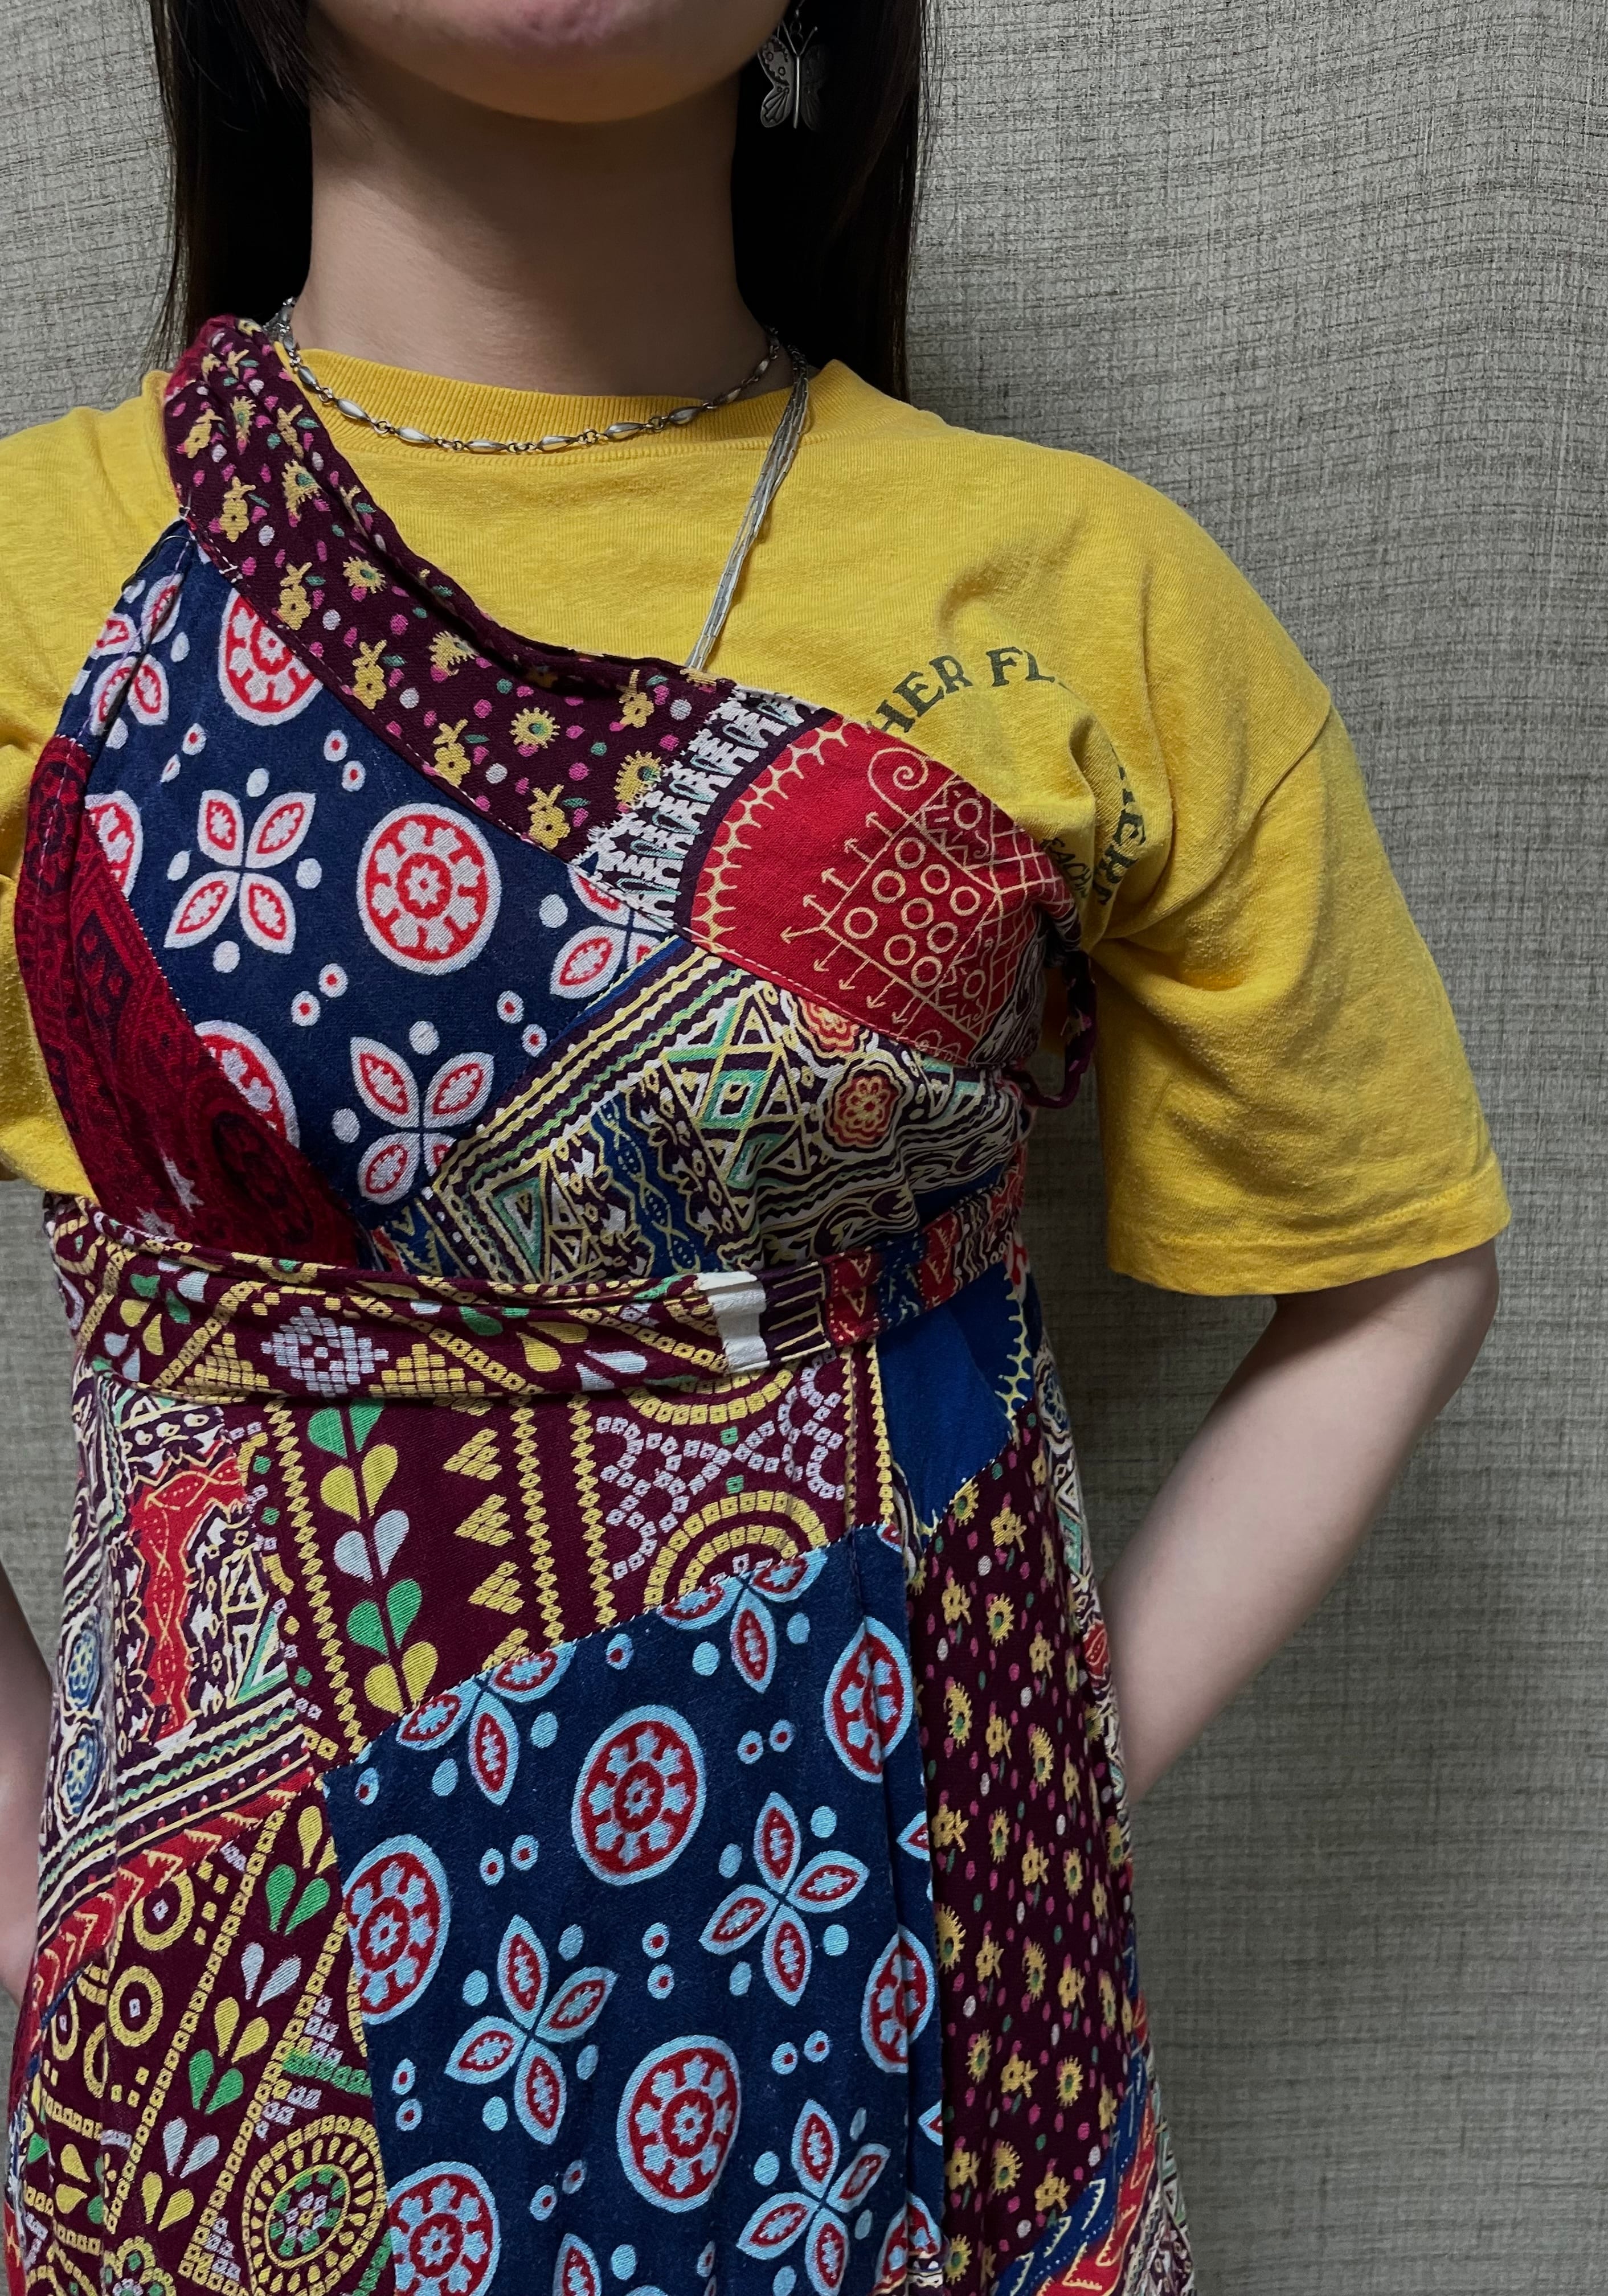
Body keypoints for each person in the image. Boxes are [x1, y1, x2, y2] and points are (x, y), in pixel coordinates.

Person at [0, 4, 1507, 2293]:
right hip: (239, 2046)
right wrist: (49, 1873)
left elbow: (1394, 1266)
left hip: (911, 2011)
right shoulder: (44, 572)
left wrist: (1039, 1765)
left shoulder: (1090, 593)